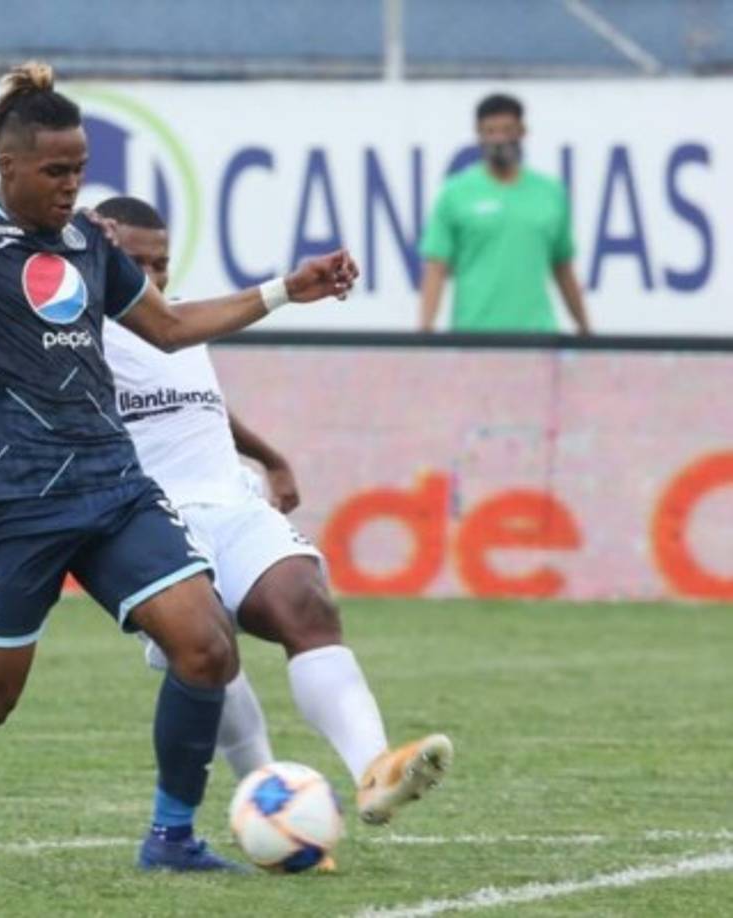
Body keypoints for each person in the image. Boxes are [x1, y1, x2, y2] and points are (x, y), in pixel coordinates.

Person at [0, 62, 358, 872]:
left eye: (79, 169)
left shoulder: (87, 241)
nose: (69, 186)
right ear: (8, 165)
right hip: (13, 500)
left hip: (111, 488)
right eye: (54, 171)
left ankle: (170, 837)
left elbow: (172, 325)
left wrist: (284, 290)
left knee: (205, 646)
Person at [96, 196, 453, 866]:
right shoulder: (72, 327)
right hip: (148, 519)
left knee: (306, 603)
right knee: (210, 651)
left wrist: (268, 455)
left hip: (230, 503)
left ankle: (374, 771)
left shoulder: (180, 323)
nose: (150, 276)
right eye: (133, 262)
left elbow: (198, 405)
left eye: (161, 263)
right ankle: (268, 799)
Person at [419, 93, 591, 334]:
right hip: (474, 336)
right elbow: (436, 267)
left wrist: (584, 327)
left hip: (537, 337)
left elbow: (563, 267)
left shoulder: (549, 193)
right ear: (478, 135)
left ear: (522, 131)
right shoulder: (456, 193)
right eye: (490, 131)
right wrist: (425, 329)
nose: (499, 139)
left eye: (507, 130)